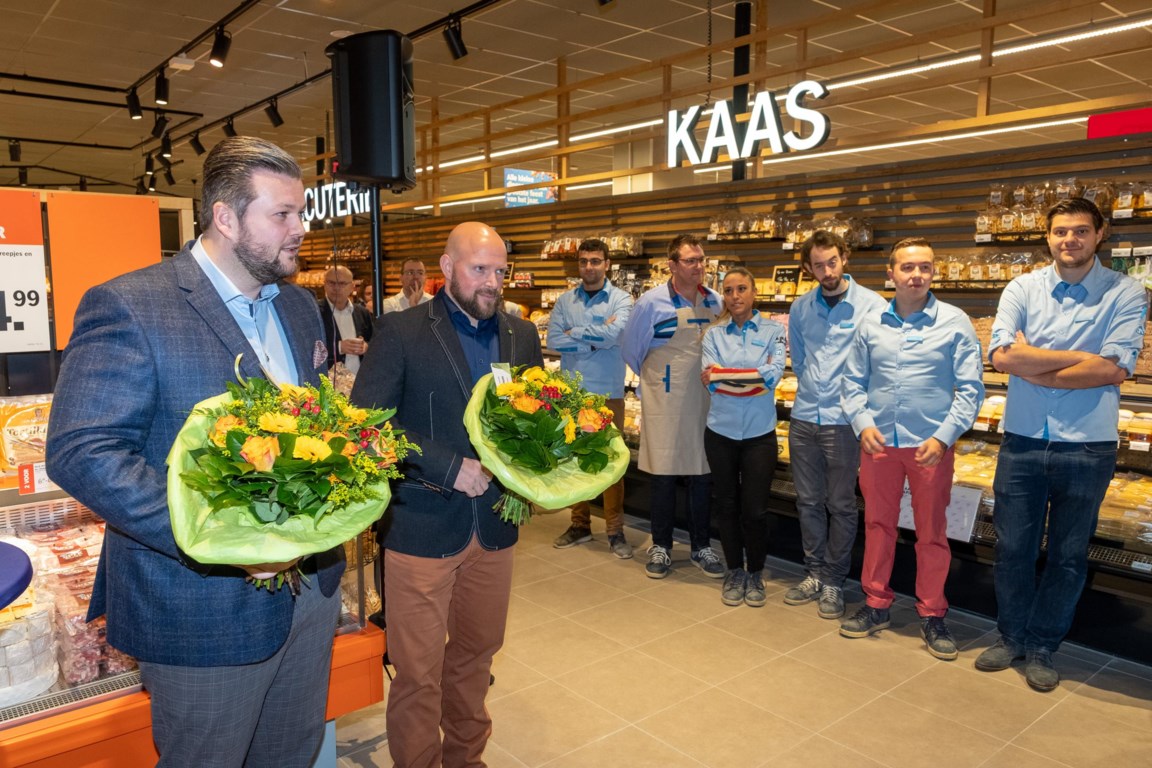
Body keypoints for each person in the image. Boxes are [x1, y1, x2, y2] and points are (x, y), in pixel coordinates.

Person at [44, 136, 345, 767]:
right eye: (283, 214)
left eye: (301, 212)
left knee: (291, 754)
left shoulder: (298, 306)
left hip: (311, 597)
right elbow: (82, 450)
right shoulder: (131, 304)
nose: (300, 229)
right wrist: (224, 538)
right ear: (226, 218)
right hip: (203, 610)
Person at [351, 221, 543, 768]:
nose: (492, 282)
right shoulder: (401, 331)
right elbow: (368, 422)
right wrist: (447, 466)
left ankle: (466, 758)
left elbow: (536, 417)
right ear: (446, 267)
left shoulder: (520, 335)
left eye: (500, 271)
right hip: (422, 524)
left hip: (496, 526)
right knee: (417, 671)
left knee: (476, 657)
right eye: (479, 269)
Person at [977, 197, 1146, 691]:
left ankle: (1043, 644)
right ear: (1048, 237)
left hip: (1088, 446)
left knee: (1069, 555)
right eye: (1060, 231)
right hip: (1023, 439)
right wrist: (1077, 359)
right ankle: (1012, 636)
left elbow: (1112, 368)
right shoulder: (1022, 287)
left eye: (1080, 231)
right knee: (1013, 548)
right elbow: (1003, 357)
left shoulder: (1126, 292)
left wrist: (1035, 361)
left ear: (1100, 234)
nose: (1069, 239)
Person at [839, 237, 984, 660]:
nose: (917, 275)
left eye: (925, 267)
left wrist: (944, 436)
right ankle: (875, 602)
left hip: (930, 447)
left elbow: (971, 389)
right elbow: (852, 382)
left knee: (932, 532)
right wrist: (862, 423)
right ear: (891, 274)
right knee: (878, 525)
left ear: (933, 272)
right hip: (880, 444)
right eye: (907, 267)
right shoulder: (870, 324)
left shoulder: (955, 322)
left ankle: (933, 612)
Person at [784, 231, 887, 619]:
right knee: (808, 501)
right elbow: (800, 358)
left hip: (845, 422)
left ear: (845, 258)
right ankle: (813, 572)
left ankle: (833, 580)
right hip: (804, 417)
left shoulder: (873, 305)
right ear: (807, 268)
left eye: (832, 262)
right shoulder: (801, 307)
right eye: (818, 265)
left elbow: (880, 362)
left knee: (841, 504)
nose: (827, 271)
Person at [621, 234, 723, 579]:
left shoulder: (715, 301)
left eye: (701, 260)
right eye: (691, 261)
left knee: (701, 474)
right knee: (663, 474)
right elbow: (631, 350)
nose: (698, 267)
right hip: (664, 398)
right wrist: (660, 378)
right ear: (673, 265)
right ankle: (661, 545)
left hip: (704, 399)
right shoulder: (651, 303)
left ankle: (701, 546)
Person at [700, 267, 786, 607]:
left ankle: (755, 572)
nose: (735, 296)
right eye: (729, 290)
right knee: (726, 505)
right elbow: (710, 379)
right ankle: (734, 570)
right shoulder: (713, 334)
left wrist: (727, 377)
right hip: (720, 432)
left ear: (753, 292)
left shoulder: (774, 331)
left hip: (759, 435)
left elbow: (772, 376)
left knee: (755, 510)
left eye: (741, 289)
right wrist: (750, 377)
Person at [546, 238, 634, 558]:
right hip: (572, 393)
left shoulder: (622, 299)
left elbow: (617, 334)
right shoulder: (565, 301)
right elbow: (554, 340)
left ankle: (615, 530)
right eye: (584, 261)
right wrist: (596, 338)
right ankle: (579, 524)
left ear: (607, 264)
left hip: (608, 393)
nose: (589, 267)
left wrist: (576, 333)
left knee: (612, 462)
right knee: (573, 460)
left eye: (595, 261)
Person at [319, 264, 373, 373]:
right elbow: (308, 347)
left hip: (360, 378)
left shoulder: (362, 312)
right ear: (324, 284)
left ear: (352, 286)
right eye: (331, 283)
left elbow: (375, 341)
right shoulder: (315, 312)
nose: (336, 288)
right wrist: (339, 347)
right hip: (327, 381)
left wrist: (366, 347)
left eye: (342, 283)